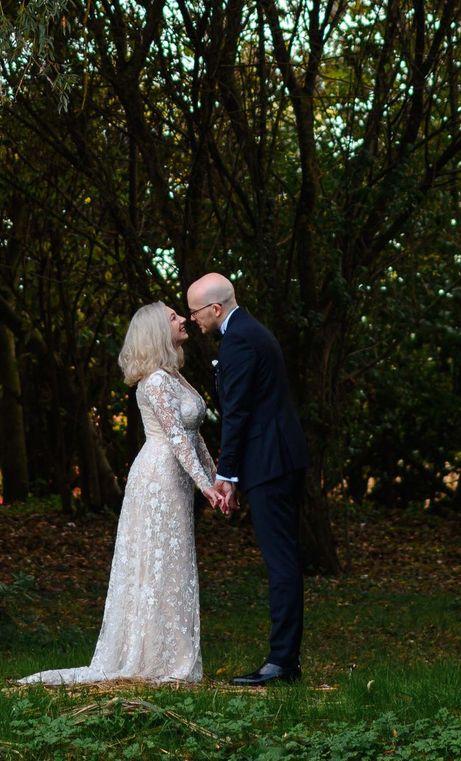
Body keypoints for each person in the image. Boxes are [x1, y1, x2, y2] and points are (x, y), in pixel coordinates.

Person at [17, 303, 221, 684]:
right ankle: (157, 659)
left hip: (175, 477)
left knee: (173, 565)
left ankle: (173, 657)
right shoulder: (157, 381)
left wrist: (217, 476)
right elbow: (176, 437)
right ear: (159, 331)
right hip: (158, 479)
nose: (181, 320)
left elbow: (195, 435)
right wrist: (206, 486)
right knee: (160, 563)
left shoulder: (175, 376)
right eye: (173, 317)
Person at [186, 272, 310, 686]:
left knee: (281, 563)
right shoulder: (249, 330)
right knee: (284, 560)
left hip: (269, 461)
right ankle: (284, 658)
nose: (192, 320)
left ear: (215, 309)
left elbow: (237, 412)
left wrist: (226, 475)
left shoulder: (238, 339)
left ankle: (281, 663)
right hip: (279, 457)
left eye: (195, 312)